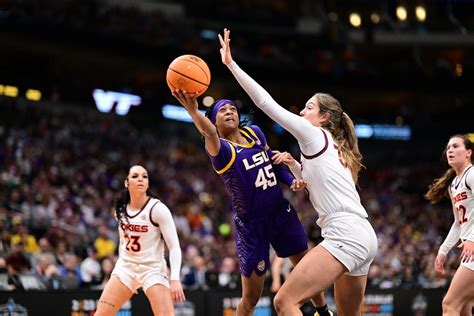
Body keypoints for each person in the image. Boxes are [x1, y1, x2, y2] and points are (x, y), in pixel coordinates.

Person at [218, 28, 378, 315]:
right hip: (365, 234)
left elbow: (264, 103)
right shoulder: (334, 147)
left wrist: (231, 65)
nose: (302, 112)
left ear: (324, 118)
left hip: (344, 232)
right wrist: (293, 165)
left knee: (284, 302)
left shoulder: (313, 134)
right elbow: (310, 182)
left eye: (309, 107)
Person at [171, 90, 331, 315]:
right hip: (252, 225)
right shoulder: (221, 150)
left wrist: (291, 180)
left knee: (305, 267)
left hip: (279, 211)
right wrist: (194, 111)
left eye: (232, 109)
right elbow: (208, 133)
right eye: (222, 110)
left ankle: (323, 312)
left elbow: (273, 164)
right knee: (251, 297)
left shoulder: (255, 133)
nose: (229, 112)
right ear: (214, 121)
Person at [95, 165, 185, 316]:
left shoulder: (158, 209)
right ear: (126, 182)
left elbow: (175, 246)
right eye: (135, 176)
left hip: (152, 269)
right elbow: (123, 241)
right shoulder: (120, 209)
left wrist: (175, 278)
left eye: (144, 176)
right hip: (126, 268)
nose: (141, 180)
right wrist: (122, 272)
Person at [425, 134, 473, 316]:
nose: (450, 150)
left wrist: (473, 239)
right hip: (470, 250)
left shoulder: (472, 174)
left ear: (468, 152)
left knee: (449, 305)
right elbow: (458, 223)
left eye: (455, 146)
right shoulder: (453, 185)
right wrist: (443, 251)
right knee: (463, 309)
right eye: (448, 147)